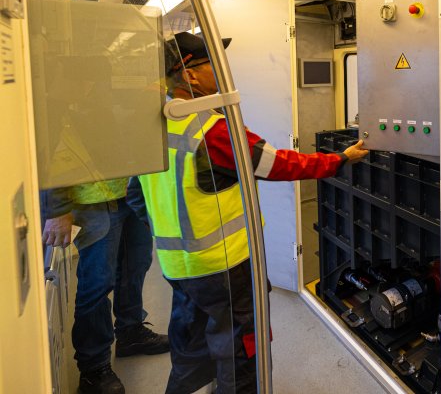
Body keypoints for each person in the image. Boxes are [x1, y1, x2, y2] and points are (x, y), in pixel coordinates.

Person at [134, 32, 368, 394]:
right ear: (190, 75)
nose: (223, 70)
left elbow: (136, 196)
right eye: (213, 62)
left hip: (177, 265)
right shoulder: (211, 131)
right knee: (240, 349)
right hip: (223, 265)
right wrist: (340, 159)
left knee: (190, 342)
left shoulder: (154, 124)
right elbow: (278, 164)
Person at [42, 178, 170, 394]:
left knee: (136, 264)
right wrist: (57, 209)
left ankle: (130, 331)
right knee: (97, 284)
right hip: (90, 199)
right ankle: (94, 368)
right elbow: (53, 150)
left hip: (132, 187)